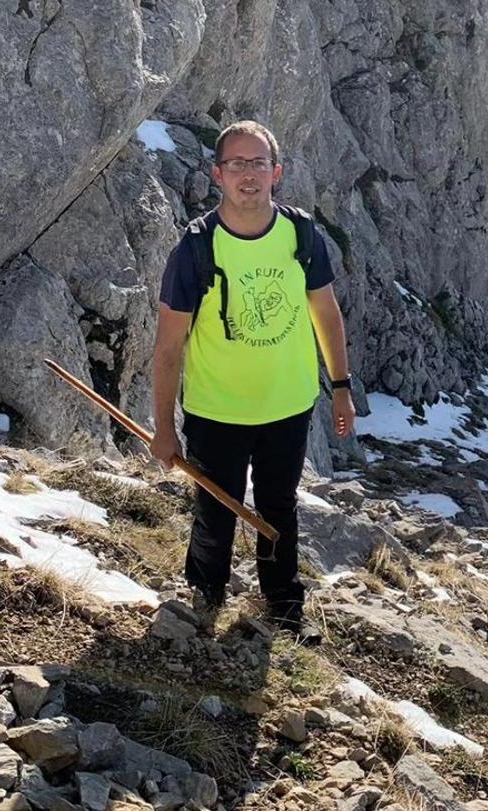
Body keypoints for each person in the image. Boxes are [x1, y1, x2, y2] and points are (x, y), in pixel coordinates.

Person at [151, 120, 355, 635]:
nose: (248, 175)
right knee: (215, 514)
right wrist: (163, 427)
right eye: (236, 164)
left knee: (279, 508)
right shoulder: (195, 250)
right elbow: (168, 348)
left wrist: (341, 387)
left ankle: (285, 610)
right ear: (218, 175)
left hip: (287, 405)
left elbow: (326, 315)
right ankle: (205, 597)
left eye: (258, 163)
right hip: (216, 408)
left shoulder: (301, 235)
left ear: (276, 172)